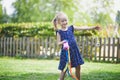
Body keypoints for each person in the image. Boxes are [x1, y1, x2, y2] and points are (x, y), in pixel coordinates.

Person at [52, 12, 100, 80]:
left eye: (65, 20)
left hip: (74, 51)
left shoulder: (71, 28)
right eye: (62, 21)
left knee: (78, 66)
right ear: (59, 22)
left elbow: (82, 28)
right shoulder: (59, 32)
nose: (65, 22)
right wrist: (63, 42)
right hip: (66, 53)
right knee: (64, 68)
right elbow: (58, 43)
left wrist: (93, 27)